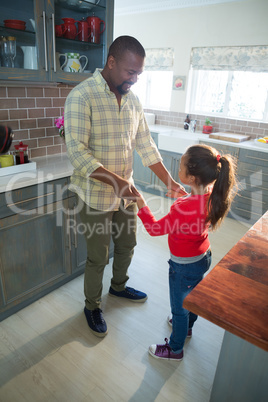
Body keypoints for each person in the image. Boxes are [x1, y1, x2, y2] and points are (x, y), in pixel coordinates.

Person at [64, 35, 186, 338]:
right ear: (111, 62)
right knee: (97, 256)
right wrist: (117, 183)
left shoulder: (133, 101)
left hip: (126, 194)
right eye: (129, 72)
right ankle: (92, 305)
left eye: (139, 74)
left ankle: (117, 287)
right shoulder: (82, 96)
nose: (134, 79)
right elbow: (78, 152)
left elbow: (146, 145)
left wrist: (169, 182)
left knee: (128, 244)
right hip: (95, 195)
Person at [136, 144, 237, 361]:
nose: (178, 169)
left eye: (181, 166)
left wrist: (140, 203)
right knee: (192, 297)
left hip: (183, 266)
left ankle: (175, 348)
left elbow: (155, 229)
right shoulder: (212, 195)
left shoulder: (184, 208)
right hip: (202, 257)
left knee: (179, 309)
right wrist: (184, 198)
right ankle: (188, 327)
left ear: (191, 178)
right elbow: (193, 209)